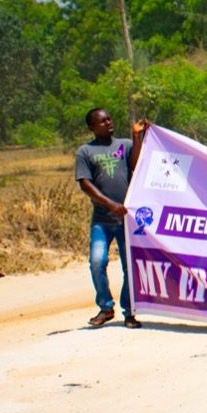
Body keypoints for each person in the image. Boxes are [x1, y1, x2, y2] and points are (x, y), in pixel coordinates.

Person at [76, 108, 147, 329]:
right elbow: (85, 184)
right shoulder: (85, 152)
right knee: (97, 262)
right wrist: (110, 204)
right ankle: (106, 307)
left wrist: (136, 137)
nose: (108, 123)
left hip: (126, 221)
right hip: (102, 220)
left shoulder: (124, 145)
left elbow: (136, 165)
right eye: (103, 121)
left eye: (109, 119)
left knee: (129, 267)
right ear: (92, 127)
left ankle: (129, 311)